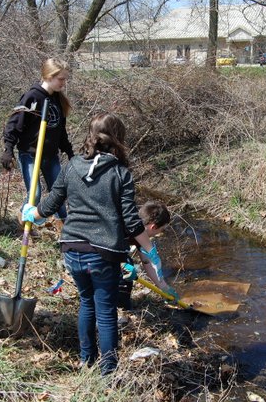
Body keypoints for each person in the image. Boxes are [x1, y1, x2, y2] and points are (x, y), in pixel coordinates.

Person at [21, 112, 178, 375]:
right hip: (103, 254)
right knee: (105, 312)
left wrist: (32, 213)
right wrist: (150, 251)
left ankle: (86, 361)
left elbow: (51, 203)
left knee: (86, 303)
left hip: (72, 248)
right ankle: (107, 372)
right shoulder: (120, 173)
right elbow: (131, 220)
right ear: (118, 139)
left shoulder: (72, 166)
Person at [1, 58, 74, 227]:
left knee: (59, 194)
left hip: (50, 156)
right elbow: (14, 124)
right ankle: (24, 221)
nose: (64, 83)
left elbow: (60, 131)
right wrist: (8, 149)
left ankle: (65, 230)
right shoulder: (32, 97)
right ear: (49, 76)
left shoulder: (57, 100)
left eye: (65, 79)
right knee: (35, 195)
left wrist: (70, 153)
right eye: (61, 79)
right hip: (30, 154)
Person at [118, 200, 171, 310]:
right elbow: (100, 248)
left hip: (104, 256)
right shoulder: (122, 226)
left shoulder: (140, 234)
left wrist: (165, 288)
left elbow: (148, 263)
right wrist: (120, 264)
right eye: (161, 230)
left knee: (127, 264)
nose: (159, 233)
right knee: (126, 267)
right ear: (153, 227)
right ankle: (120, 308)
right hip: (88, 256)